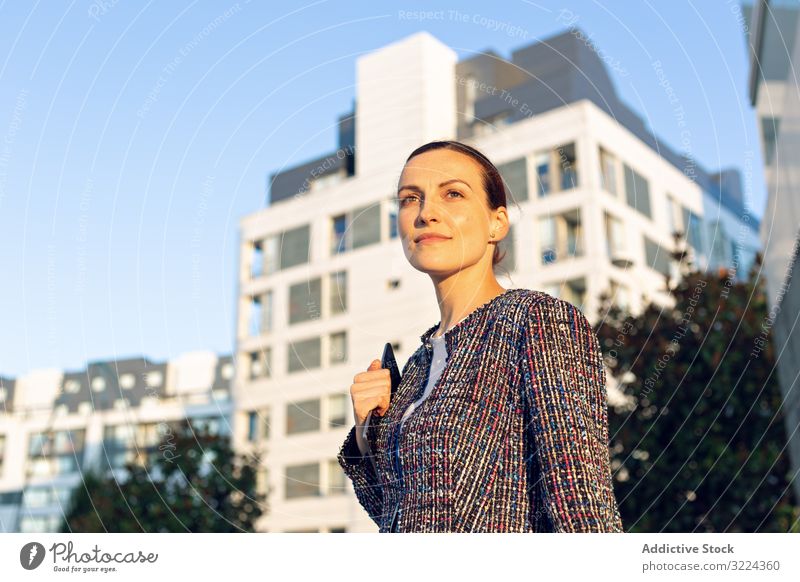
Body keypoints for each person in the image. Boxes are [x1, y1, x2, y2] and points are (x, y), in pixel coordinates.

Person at [337, 139, 624, 533]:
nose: (426, 213)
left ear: (497, 223)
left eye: (452, 194)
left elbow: (580, 504)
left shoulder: (536, 320)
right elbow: (400, 517)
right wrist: (368, 434)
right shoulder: (418, 366)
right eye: (409, 199)